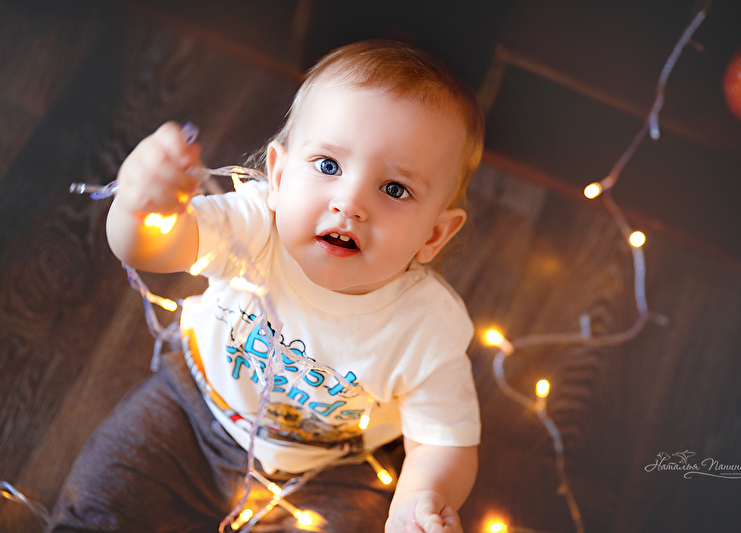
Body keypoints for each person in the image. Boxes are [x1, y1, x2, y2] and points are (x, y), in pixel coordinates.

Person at [49, 40, 484, 533]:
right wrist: (140, 206)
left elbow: (444, 440)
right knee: (103, 496)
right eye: (328, 165)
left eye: (394, 189)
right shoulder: (254, 227)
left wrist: (421, 498)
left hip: (332, 470)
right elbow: (150, 248)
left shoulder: (428, 328)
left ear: (434, 235)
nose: (349, 203)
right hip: (194, 413)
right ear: (277, 175)